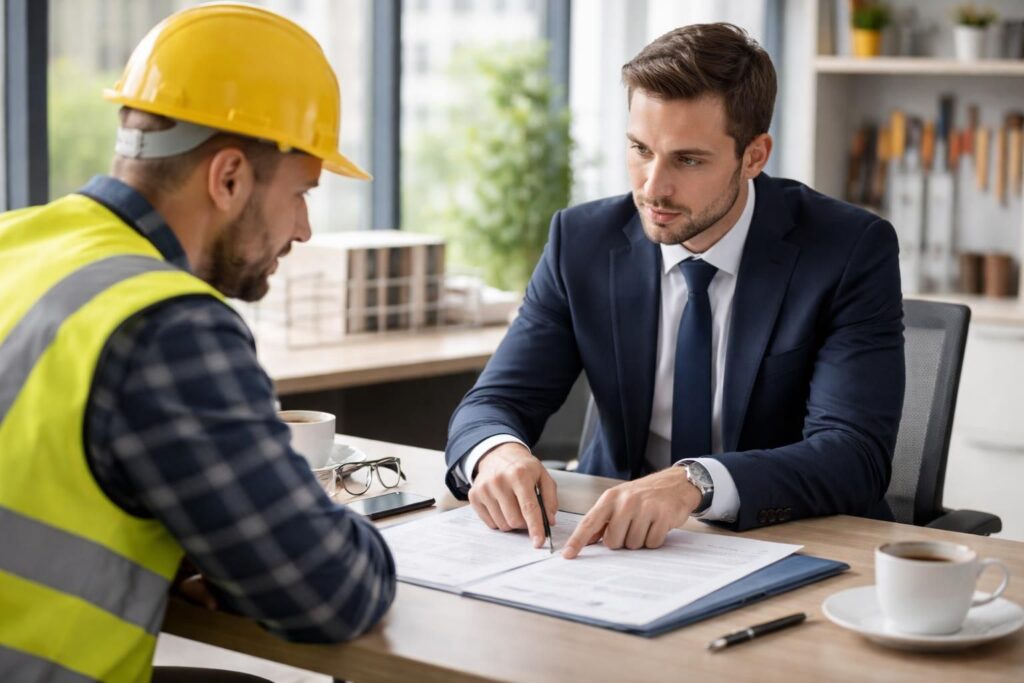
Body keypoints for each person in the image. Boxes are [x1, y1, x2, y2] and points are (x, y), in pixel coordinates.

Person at [0, 5, 395, 681]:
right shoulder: (165, 323)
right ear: (230, 177)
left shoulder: (17, 241)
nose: (302, 228)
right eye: (301, 191)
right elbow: (334, 591)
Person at [445, 23, 905, 559]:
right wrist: (498, 454)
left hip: (780, 542)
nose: (652, 187)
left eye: (688, 160)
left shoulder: (848, 250)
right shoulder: (582, 241)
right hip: (609, 546)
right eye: (640, 149)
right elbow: (495, 401)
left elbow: (854, 455)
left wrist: (695, 484)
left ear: (754, 156)